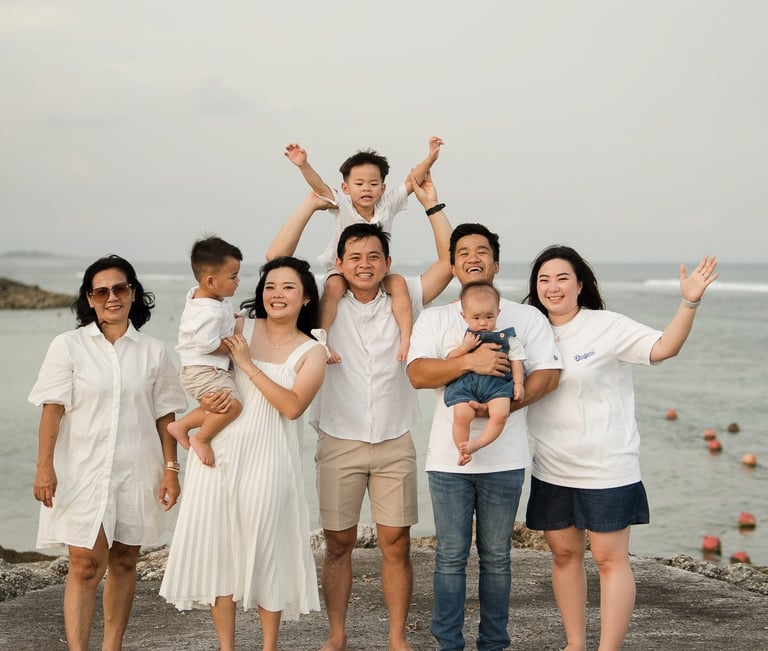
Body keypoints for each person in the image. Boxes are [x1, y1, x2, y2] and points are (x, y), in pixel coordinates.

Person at [266, 174, 453, 651]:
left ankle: (396, 638)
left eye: (373, 257)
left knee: (397, 543)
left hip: (394, 440)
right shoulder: (319, 301)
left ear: (387, 262)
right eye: (355, 257)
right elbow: (275, 262)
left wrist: (432, 206)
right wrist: (310, 205)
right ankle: (337, 636)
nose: (364, 264)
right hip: (338, 439)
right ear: (339, 262)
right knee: (338, 545)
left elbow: (449, 263)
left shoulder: (405, 295)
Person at [522, 245, 719, 651]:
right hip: (551, 467)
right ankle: (575, 644)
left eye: (562, 278)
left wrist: (689, 302)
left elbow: (664, 347)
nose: (553, 287)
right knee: (564, 557)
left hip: (606, 468)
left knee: (609, 560)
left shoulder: (606, 326)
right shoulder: (528, 330)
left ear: (580, 284)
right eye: (544, 279)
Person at [406, 224, 562, 651]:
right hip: (447, 460)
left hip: (505, 459)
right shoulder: (435, 318)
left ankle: (494, 643)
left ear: (496, 262)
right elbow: (417, 373)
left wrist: (500, 407)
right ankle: (448, 643)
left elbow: (549, 375)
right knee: (450, 557)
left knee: (497, 558)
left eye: (481, 251)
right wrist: (468, 362)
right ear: (453, 265)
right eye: (463, 252)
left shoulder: (525, 317)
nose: (472, 258)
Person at [160, 256, 328, 651]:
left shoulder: (313, 351)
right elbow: (198, 351)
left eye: (288, 287)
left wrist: (248, 365)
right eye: (270, 286)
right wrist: (202, 400)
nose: (277, 294)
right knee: (220, 554)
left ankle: (269, 646)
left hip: (270, 461)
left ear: (306, 297)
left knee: (268, 552)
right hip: (217, 455)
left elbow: (292, 406)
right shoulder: (238, 326)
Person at [29, 255, 187, 651]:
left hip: (137, 470)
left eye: (119, 288)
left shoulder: (154, 351)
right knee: (84, 565)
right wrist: (44, 467)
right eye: (101, 291)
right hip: (82, 472)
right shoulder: (67, 346)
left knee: (125, 560)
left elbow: (165, 416)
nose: (111, 297)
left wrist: (171, 469)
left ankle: (112, 647)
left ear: (133, 293)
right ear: (89, 298)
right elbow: (52, 410)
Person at [284, 136, 443, 363]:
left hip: (376, 269)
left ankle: (406, 339)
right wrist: (303, 165)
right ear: (346, 188)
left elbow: (411, 182)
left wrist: (430, 158)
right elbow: (319, 186)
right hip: (341, 269)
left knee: (398, 283)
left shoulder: (388, 204)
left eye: (373, 184)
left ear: (382, 188)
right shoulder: (343, 204)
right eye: (359, 184)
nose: (366, 188)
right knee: (334, 287)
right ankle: (322, 338)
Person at [168, 235, 244, 467]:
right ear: (210, 281)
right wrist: (232, 345)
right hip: (202, 370)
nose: (238, 281)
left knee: (216, 404)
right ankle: (201, 438)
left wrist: (229, 321)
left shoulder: (206, 298)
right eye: (233, 276)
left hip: (199, 370)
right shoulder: (209, 312)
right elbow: (206, 344)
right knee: (232, 405)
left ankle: (180, 425)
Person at [444, 281, 526, 466]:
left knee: (501, 414)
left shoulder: (508, 338)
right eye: (476, 318)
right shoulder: (460, 337)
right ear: (464, 316)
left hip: (498, 385)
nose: (483, 323)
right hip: (466, 385)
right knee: (461, 415)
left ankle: (477, 444)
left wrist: (519, 384)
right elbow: (450, 361)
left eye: (489, 317)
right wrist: (464, 348)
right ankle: (462, 450)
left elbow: (517, 361)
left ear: (498, 312)